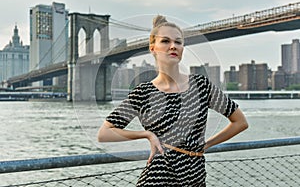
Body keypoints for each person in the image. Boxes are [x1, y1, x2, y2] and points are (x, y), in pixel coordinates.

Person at [98, 15, 248, 186]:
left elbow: (240, 122)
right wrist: (147, 134)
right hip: (158, 178)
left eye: (178, 42)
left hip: (195, 176)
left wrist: (205, 145)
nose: (173, 46)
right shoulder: (143, 93)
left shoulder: (200, 85)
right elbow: (105, 133)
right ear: (152, 48)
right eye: (165, 41)